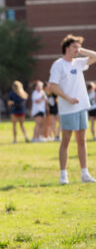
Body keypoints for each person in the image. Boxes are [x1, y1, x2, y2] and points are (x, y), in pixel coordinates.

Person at [49, 34, 96, 184]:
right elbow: (52, 86)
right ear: (66, 48)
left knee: (82, 141)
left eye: (78, 46)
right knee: (66, 142)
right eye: (74, 46)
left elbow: (95, 56)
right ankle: (63, 175)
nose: (77, 49)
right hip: (68, 109)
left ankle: (85, 173)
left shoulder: (78, 62)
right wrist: (68, 98)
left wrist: (81, 49)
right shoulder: (58, 64)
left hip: (82, 107)